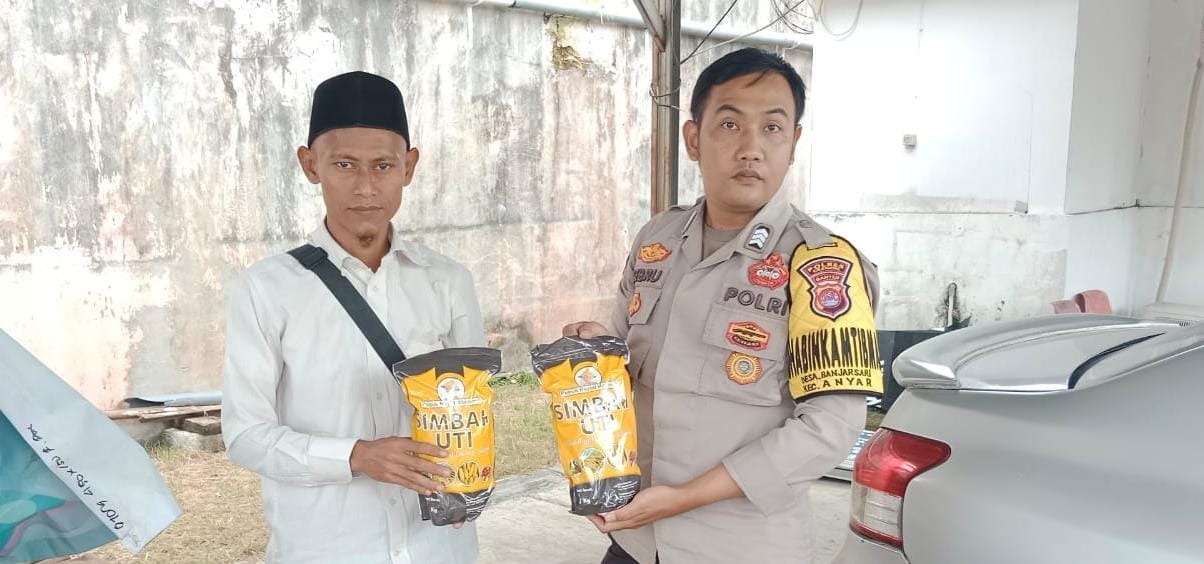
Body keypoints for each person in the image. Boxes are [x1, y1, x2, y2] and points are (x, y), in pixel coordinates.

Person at [563, 48, 884, 564]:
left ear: (793, 143)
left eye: (773, 128)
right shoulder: (657, 240)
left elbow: (830, 428)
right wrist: (593, 353)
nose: (751, 148)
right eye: (730, 124)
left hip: (740, 547)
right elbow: (621, 367)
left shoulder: (822, 264)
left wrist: (686, 498)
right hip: (636, 540)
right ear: (694, 139)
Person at [221, 71, 484, 564]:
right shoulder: (265, 289)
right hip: (326, 550)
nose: (366, 187)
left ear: (409, 166)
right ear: (310, 164)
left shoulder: (449, 281)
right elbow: (245, 436)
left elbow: (472, 409)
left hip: (438, 547)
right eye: (344, 164)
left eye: (384, 165)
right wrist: (357, 456)